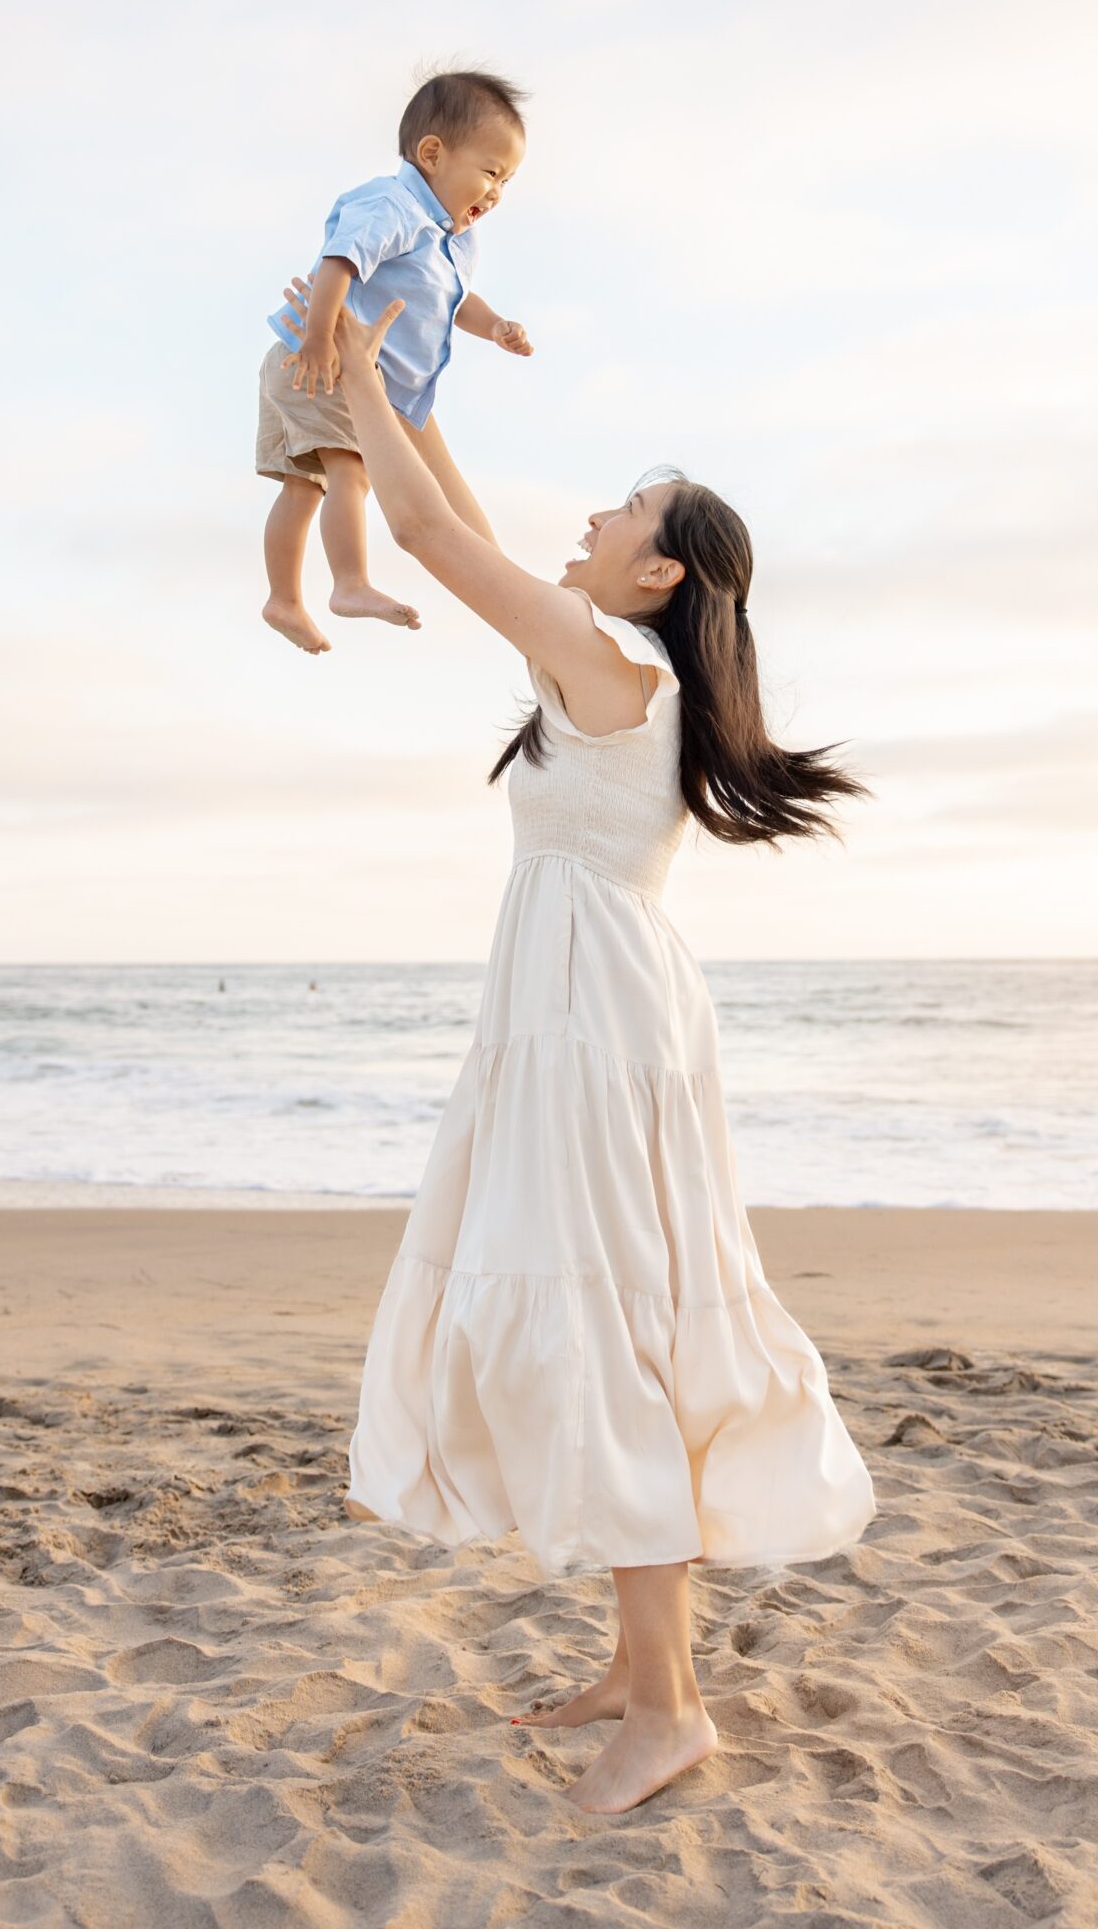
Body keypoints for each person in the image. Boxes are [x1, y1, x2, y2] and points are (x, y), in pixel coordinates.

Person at [286, 283, 879, 1815]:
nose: (591, 517)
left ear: (658, 565)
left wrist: (339, 371)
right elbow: (456, 522)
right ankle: (637, 1670)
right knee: (608, 1315)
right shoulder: (611, 660)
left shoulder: (621, 672)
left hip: (592, 1016)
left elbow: (426, 542)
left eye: (620, 508)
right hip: (587, 1004)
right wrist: (395, 373)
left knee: (602, 1325)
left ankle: (670, 1706)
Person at [258, 69, 533, 654]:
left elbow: (456, 302)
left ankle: (282, 599)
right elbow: (339, 261)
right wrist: (315, 342)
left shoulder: (453, 239)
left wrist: (496, 328)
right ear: (432, 154)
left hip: (335, 367)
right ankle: (349, 583)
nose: (497, 192)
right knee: (348, 473)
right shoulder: (392, 206)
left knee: (303, 486)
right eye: (490, 171)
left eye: (507, 180)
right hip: (324, 359)